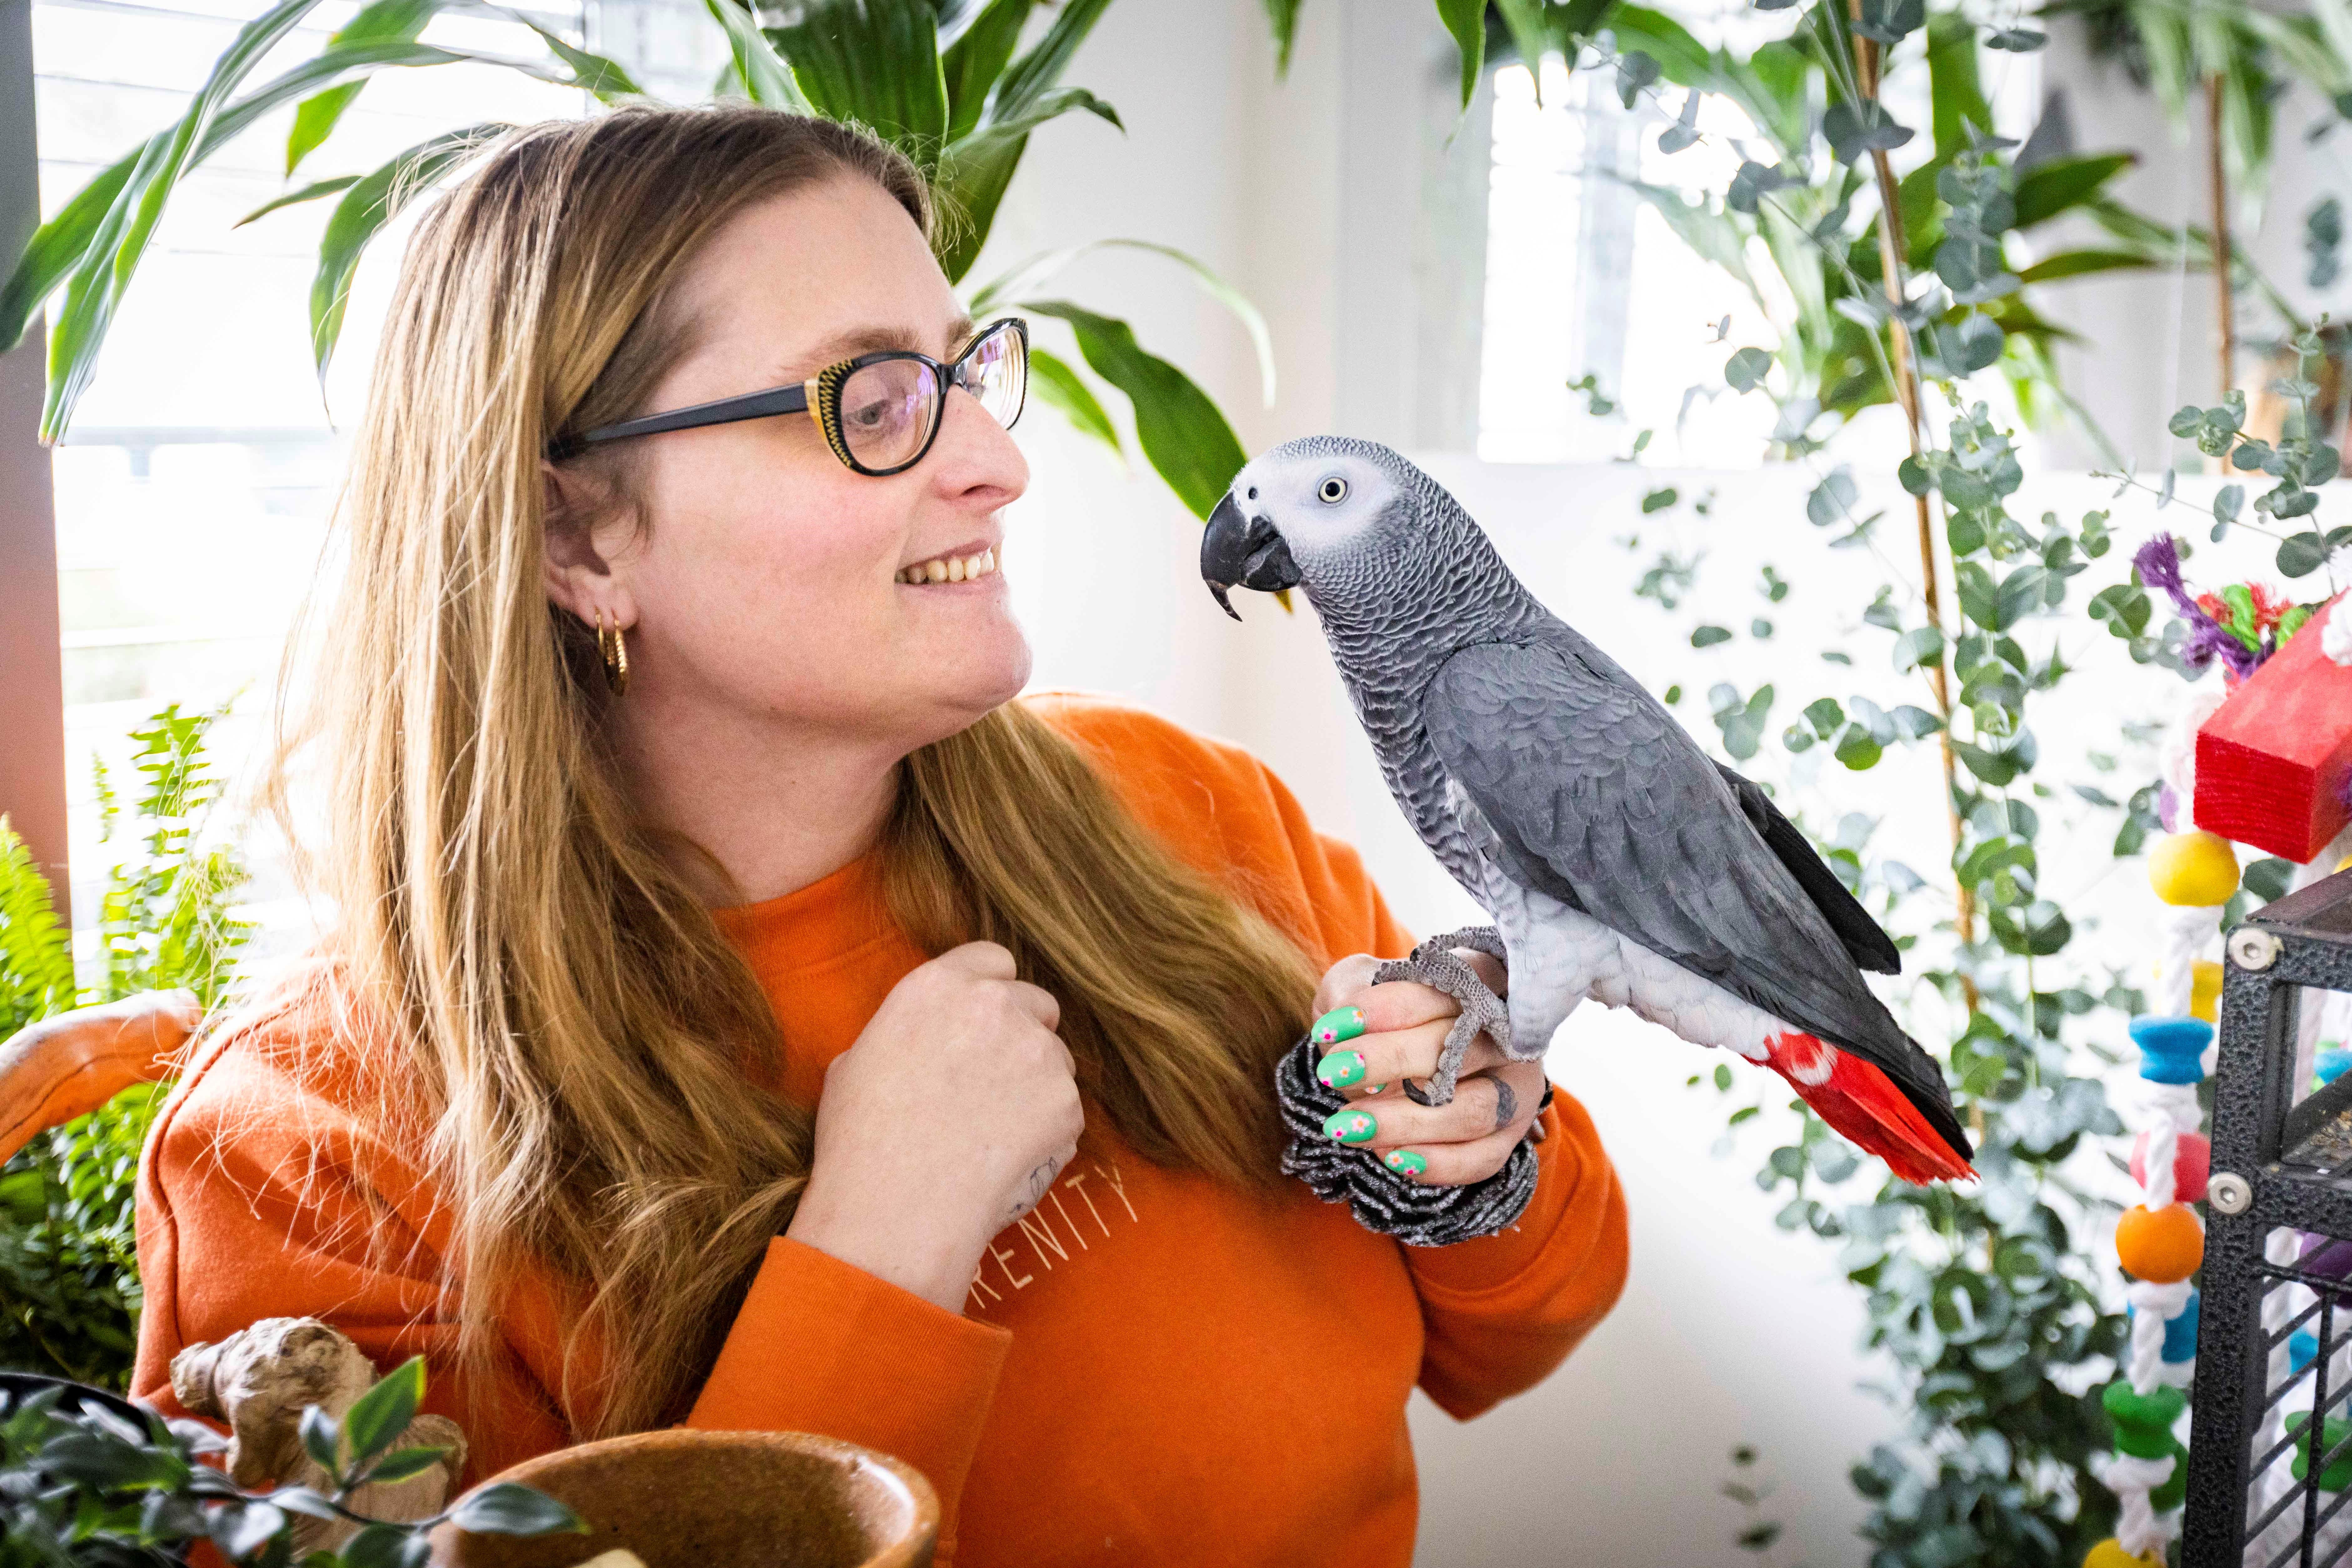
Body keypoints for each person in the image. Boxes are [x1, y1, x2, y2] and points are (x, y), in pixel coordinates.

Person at [129, 104, 1628, 1565]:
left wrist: (1470, 1161)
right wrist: (873, 1259)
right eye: (870, 399)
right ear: (573, 538)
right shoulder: (310, 1156)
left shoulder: (1190, 810)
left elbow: (1525, 1334)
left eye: (965, 372)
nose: (998, 460)